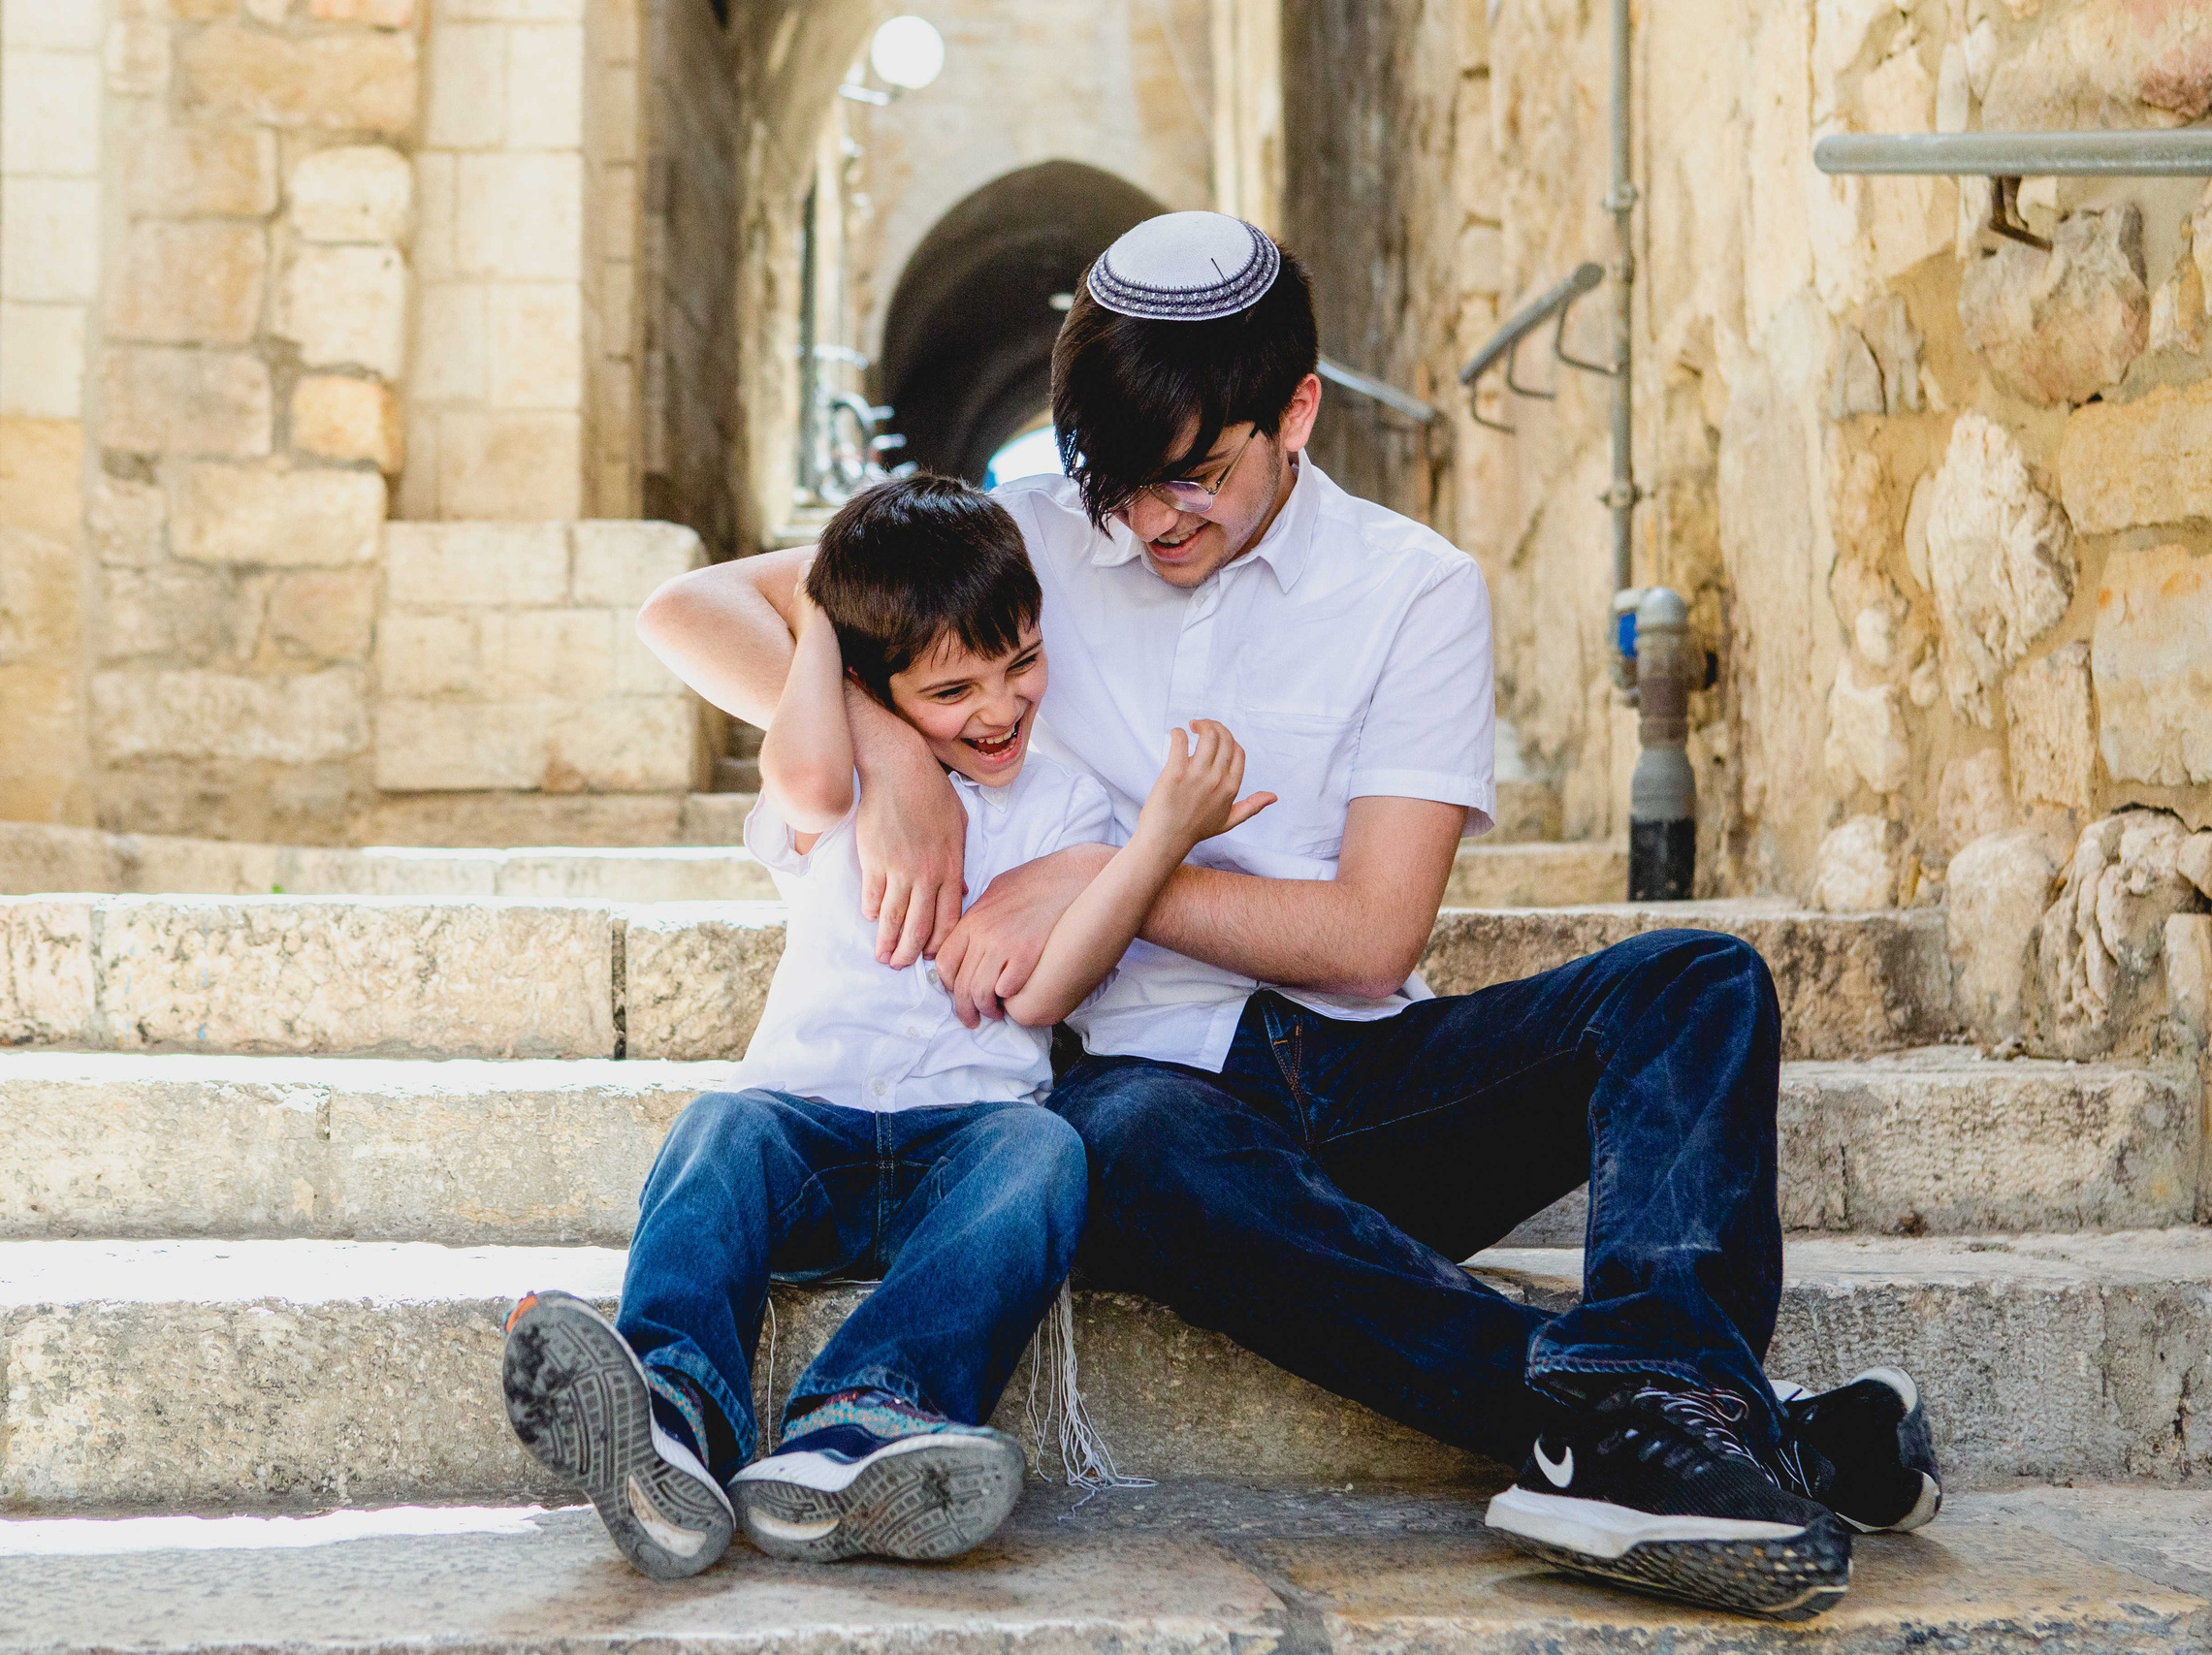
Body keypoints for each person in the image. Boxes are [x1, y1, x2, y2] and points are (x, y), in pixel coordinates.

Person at [635, 211, 1940, 1619]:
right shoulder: (1018, 543)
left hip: (1365, 1075)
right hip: (1142, 1097)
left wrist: (1109, 873)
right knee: (1111, 1135)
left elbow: (1372, 933)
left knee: (1702, 982)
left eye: (1194, 475)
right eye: (1121, 485)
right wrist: (895, 759)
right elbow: (704, 606)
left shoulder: (1414, 589)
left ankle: (1652, 1406)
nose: (1150, 519)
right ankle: (1678, 1422)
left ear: (1298, 412)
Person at [504, 474, 1270, 1580]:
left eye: (1021, 664)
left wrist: (1153, 841)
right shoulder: (842, 775)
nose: (1001, 708)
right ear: (870, 683)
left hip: (964, 1139)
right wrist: (824, 615)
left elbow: (1049, 995)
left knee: (1047, 1154)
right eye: (953, 688)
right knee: (716, 1132)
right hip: (801, 1126)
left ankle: (862, 1420)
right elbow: (812, 771)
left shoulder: (1061, 801)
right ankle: (669, 1412)